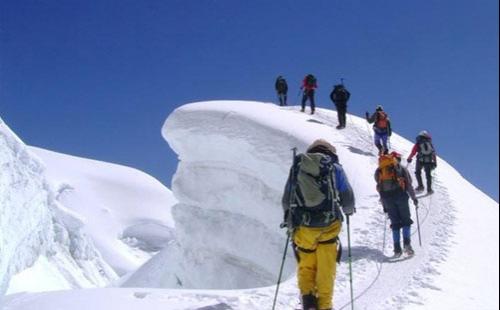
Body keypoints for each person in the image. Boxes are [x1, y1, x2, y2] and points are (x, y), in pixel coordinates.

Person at [282, 139, 355, 310]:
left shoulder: (299, 166)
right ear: (330, 152)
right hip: (329, 225)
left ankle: (308, 300)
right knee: (326, 268)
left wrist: (289, 219)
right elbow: (348, 197)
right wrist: (348, 211)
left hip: (304, 227)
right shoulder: (334, 168)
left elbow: (287, 198)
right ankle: (324, 305)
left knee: (306, 264)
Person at [375, 151, 418, 257]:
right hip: (400, 197)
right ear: (397, 158)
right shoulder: (401, 168)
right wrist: (414, 198)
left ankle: (397, 249)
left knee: (395, 224)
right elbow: (408, 185)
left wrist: (384, 206)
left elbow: (380, 187)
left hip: (387, 199)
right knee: (406, 221)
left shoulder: (379, 170)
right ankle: (407, 245)